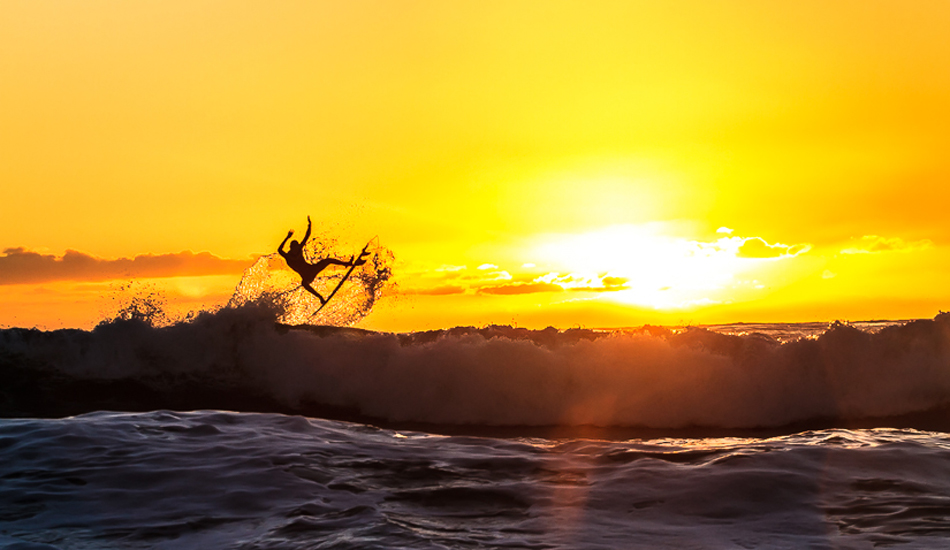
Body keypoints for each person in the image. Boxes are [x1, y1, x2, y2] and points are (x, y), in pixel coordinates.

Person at [278, 216, 367, 304]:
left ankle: (347, 263)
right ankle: (320, 297)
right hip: (307, 276)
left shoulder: (299, 249)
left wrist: (309, 225)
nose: (297, 248)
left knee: (327, 260)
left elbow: (306, 236)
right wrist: (287, 237)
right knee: (304, 284)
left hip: (312, 269)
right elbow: (279, 250)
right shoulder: (288, 256)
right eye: (295, 247)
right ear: (291, 248)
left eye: (298, 246)